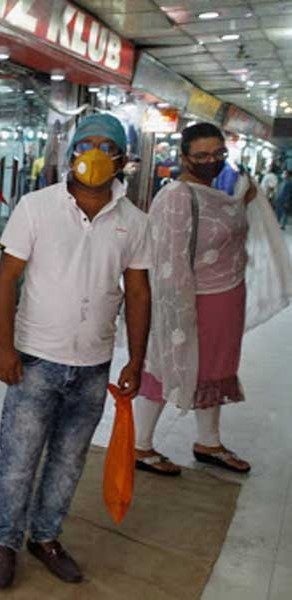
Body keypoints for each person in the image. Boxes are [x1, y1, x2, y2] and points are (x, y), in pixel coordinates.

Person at [0, 114, 152, 590]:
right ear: (71, 152)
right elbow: (5, 279)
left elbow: (138, 294)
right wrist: (4, 346)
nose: (95, 153)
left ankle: (46, 536)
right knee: (18, 459)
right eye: (86, 143)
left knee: (68, 460)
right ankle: (5, 541)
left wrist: (135, 360)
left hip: (94, 365)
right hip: (35, 358)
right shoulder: (36, 207)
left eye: (106, 145)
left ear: (122, 158)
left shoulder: (135, 222)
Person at [133, 123, 260, 477]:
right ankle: (140, 445)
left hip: (227, 299)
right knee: (169, 364)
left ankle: (209, 441)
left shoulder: (220, 195)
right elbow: (168, 259)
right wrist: (176, 312)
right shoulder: (176, 195)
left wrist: (241, 204)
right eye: (202, 155)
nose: (211, 161)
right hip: (191, 300)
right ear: (184, 157)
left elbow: (226, 228)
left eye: (218, 154)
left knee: (215, 371)